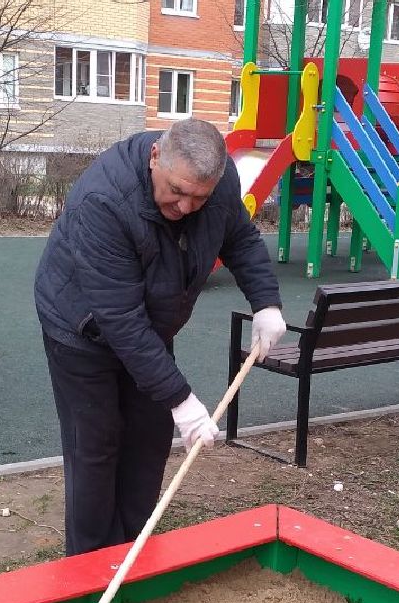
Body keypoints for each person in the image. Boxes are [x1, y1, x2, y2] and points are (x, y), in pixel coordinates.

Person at [35, 118, 286, 556]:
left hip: (149, 325)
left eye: (198, 198)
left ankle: (132, 552)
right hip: (81, 328)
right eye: (176, 191)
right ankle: (91, 565)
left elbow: (241, 238)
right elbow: (120, 320)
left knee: (149, 439)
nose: (186, 207)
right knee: (96, 445)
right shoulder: (105, 200)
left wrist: (266, 304)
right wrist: (182, 401)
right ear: (155, 158)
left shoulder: (218, 182)